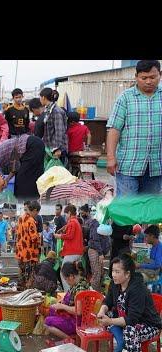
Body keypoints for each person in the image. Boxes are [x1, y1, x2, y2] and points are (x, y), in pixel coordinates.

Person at [106, 60, 162, 196]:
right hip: (128, 165)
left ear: (160, 74)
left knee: (149, 210)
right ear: (136, 76)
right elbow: (114, 129)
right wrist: (110, 158)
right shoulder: (125, 98)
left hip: (156, 166)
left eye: (153, 77)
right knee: (127, 209)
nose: (149, 81)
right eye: (144, 78)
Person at [97, 254, 162, 352]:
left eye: (117, 272)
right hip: (126, 320)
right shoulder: (115, 283)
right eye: (113, 270)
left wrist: (110, 321)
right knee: (105, 317)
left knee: (129, 330)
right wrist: (102, 311)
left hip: (148, 324)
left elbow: (132, 319)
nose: (113, 274)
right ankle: (120, 342)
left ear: (127, 274)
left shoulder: (137, 289)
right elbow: (107, 301)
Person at [0, 133, 45, 202]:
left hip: (30, 146)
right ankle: (35, 205)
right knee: (34, 178)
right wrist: (7, 180)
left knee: (22, 182)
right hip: (37, 143)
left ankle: (26, 207)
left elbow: (0, 183)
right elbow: (15, 168)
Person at [44, 262, 90, 340]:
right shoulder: (78, 282)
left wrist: (62, 306)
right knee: (52, 309)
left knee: (47, 322)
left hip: (77, 321)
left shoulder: (80, 289)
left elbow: (78, 312)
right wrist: (61, 303)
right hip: (71, 316)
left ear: (71, 276)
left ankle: (70, 339)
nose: (66, 282)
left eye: (65, 279)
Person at [79, 204, 110, 291]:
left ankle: (97, 293)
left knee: (100, 273)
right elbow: (95, 239)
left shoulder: (101, 222)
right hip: (95, 251)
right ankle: (93, 293)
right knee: (96, 274)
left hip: (98, 251)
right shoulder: (95, 223)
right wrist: (100, 253)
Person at [54, 204, 84, 292]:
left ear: (70, 213)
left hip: (72, 252)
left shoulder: (72, 222)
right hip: (76, 251)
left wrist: (59, 236)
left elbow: (70, 236)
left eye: (66, 213)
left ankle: (68, 292)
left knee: (64, 273)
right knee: (73, 273)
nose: (65, 216)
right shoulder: (75, 221)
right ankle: (75, 291)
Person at [15, 200, 41, 290]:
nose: (37, 215)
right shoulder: (31, 221)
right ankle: (27, 295)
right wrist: (39, 238)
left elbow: (17, 234)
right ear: (34, 210)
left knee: (21, 274)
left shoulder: (20, 218)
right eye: (37, 212)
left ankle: (20, 292)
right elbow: (34, 238)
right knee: (30, 276)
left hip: (20, 252)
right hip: (29, 254)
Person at [39, 88, 68, 167]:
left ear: (43, 97)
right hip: (49, 149)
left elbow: (59, 131)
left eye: (40, 97)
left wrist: (57, 149)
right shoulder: (48, 110)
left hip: (56, 150)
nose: (40, 99)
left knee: (57, 176)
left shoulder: (56, 111)